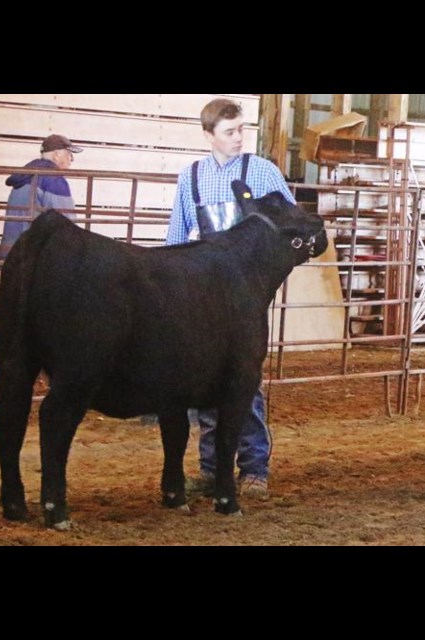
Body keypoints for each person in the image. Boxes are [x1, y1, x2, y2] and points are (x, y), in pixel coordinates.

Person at [167, 98, 296, 499]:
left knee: (245, 382)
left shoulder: (263, 172)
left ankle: (254, 466)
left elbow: (290, 225)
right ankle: (211, 467)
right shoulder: (190, 178)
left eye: (242, 129)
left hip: (244, 297)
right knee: (203, 379)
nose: (239, 137)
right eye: (230, 131)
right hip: (204, 295)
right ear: (209, 135)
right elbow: (175, 238)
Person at [0, 134, 81, 262]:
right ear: (57, 154)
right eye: (69, 154)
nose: (72, 159)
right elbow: (68, 224)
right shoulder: (53, 179)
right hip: (34, 259)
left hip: (11, 255)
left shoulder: (25, 176)